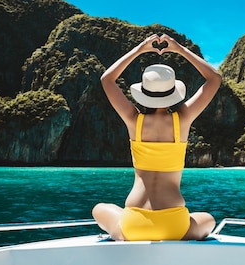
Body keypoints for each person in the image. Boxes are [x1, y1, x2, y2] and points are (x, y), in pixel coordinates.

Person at [92, 33, 222, 241]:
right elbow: (214, 78)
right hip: (173, 225)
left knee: (100, 208)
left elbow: (107, 79)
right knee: (208, 219)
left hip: (134, 225)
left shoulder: (133, 120)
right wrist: (179, 48)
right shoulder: (183, 119)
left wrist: (140, 49)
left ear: (143, 92)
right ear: (173, 92)